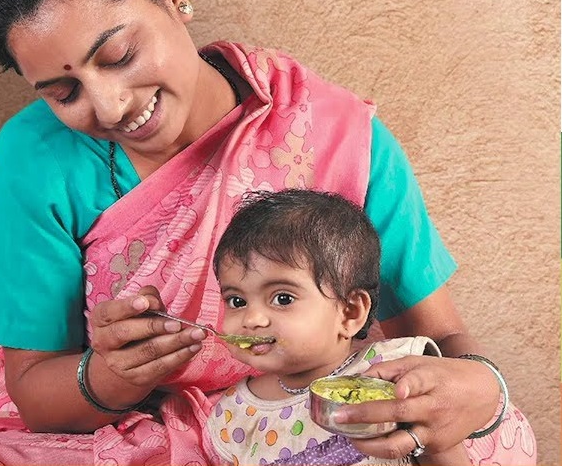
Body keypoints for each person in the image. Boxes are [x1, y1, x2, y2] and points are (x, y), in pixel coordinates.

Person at [0, 0, 536, 464]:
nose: (110, 105)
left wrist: (480, 391)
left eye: (120, 55)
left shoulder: (334, 133)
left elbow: (440, 340)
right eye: (63, 93)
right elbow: (34, 394)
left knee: (496, 435)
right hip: (123, 437)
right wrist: (111, 375)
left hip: (304, 420)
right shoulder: (35, 154)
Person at [202, 188, 471, 466]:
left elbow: (444, 449)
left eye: (283, 298)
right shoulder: (236, 414)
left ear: (350, 313)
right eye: (237, 301)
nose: (252, 319)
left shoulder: (395, 375)